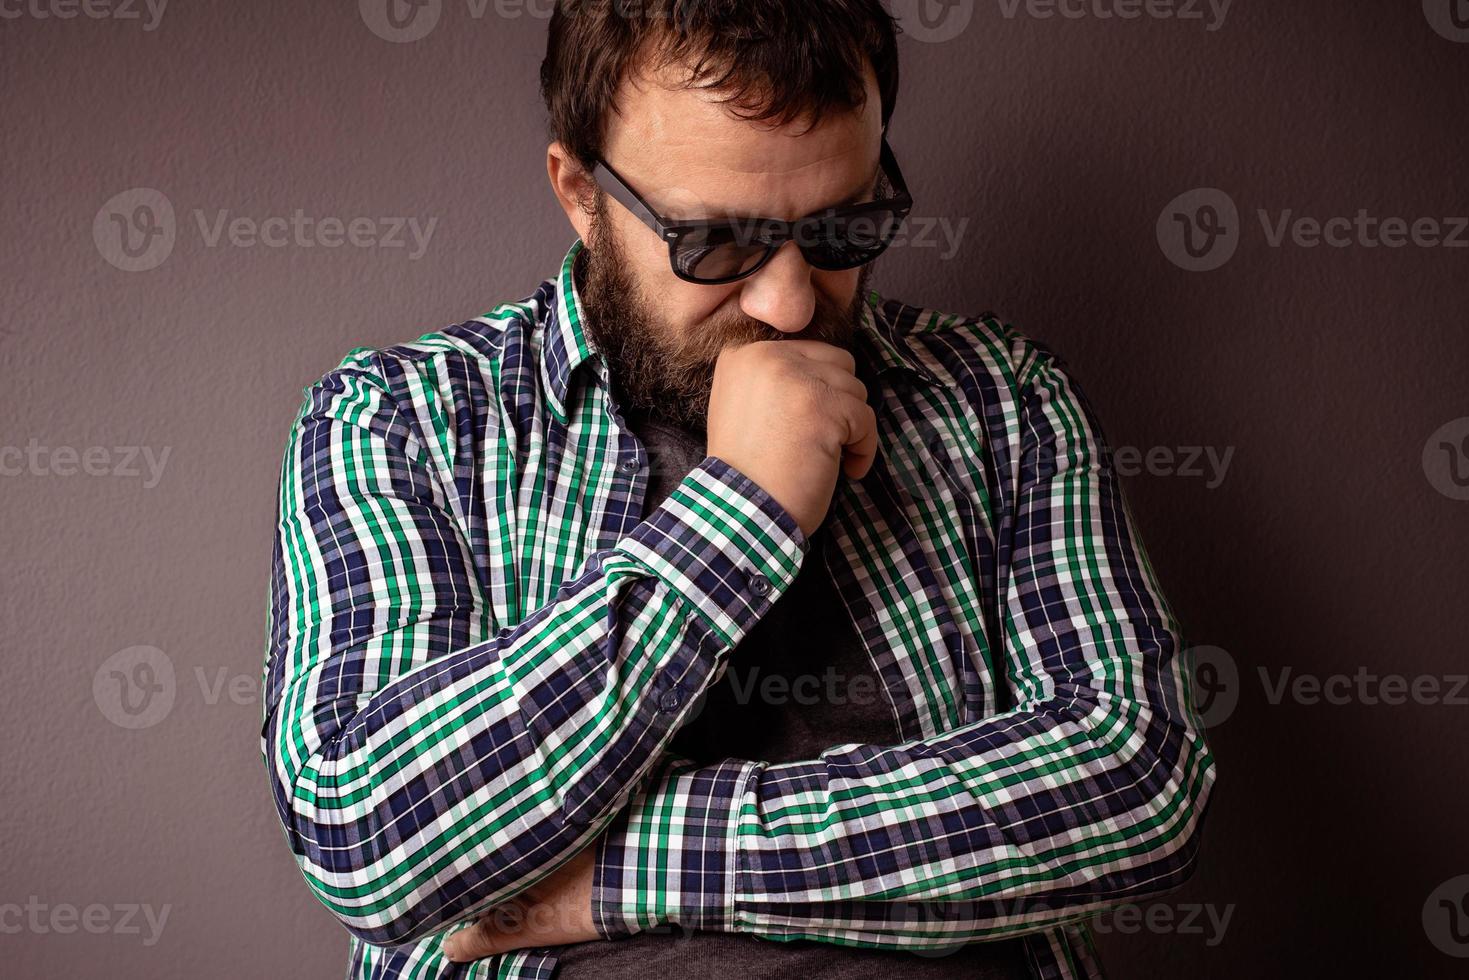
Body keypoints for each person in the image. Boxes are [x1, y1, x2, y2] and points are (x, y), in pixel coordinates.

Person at [260, 3, 1217, 978]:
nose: (790, 301)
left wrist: (619, 874)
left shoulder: (998, 398)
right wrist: (739, 515)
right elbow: (366, 836)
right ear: (581, 194)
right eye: (715, 243)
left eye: (843, 226)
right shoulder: (397, 420)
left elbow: (1135, 775)